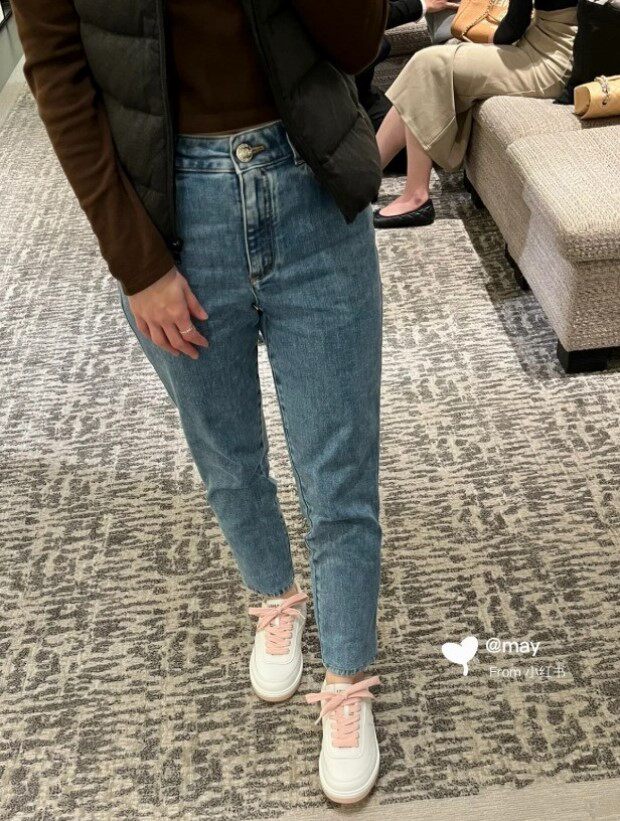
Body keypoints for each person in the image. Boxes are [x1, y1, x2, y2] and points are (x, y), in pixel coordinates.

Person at [12, 0, 387, 804]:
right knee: (227, 454)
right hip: (174, 210)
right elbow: (59, 76)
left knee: (341, 466)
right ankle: (276, 594)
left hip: (310, 177)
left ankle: (347, 671)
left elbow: (359, 41)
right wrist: (136, 261)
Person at [373, 0, 578, 228]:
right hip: (552, 51)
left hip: (548, 63)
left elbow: (512, 27)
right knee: (425, 67)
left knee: (429, 64)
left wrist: (482, 38)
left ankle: (414, 195)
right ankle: (368, 175)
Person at [357, 0, 460, 175]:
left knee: (419, 142)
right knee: (408, 149)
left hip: (361, 92)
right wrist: (421, 5)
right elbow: (361, 15)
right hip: (334, 97)